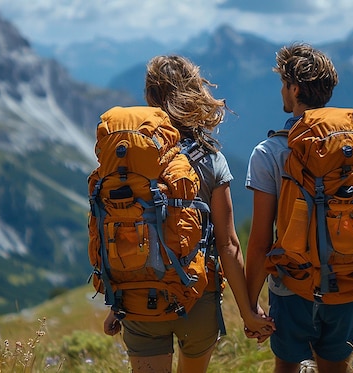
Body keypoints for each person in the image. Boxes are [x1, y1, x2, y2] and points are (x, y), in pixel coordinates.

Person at [102, 55, 275, 373]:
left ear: (150, 98)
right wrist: (249, 312)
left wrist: (117, 303)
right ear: (193, 93)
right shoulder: (211, 160)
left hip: (139, 301)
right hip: (198, 299)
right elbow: (228, 246)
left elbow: (113, 226)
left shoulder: (127, 162)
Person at [244, 43, 353, 372]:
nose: (282, 91)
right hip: (349, 278)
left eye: (284, 84)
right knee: (336, 366)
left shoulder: (268, 152)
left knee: (287, 366)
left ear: (295, 89)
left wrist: (250, 307)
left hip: (291, 284)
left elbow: (259, 242)